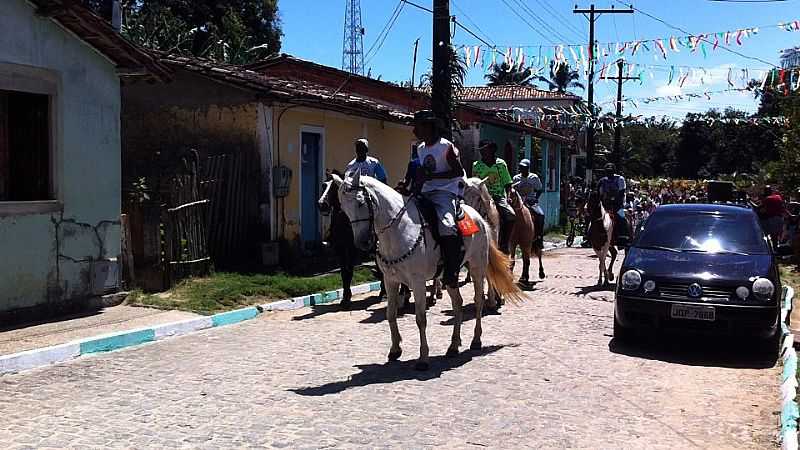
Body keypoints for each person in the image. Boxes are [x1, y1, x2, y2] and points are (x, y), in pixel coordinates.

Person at [413, 110, 467, 289]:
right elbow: (422, 174)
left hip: (445, 192)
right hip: (426, 192)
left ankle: (451, 270)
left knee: (447, 226)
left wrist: (431, 176)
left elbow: (458, 171)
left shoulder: (446, 147)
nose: (415, 131)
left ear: (429, 127)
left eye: (418, 126)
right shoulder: (420, 149)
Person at [472, 140, 516, 253]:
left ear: (492, 150)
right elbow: (474, 183)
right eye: (481, 150)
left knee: (510, 216)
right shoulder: (476, 165)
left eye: (485, 150)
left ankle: (504, 244)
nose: (482, 153)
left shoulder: (500, 164)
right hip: (481, 197)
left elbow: (508, 183)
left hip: (497, 196)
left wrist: (509, 196)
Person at [512, 159, 545, 248]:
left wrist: (535, 199)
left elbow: (539, 189)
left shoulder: (534, 177)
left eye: (524, 167)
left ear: (528, 168)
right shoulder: (516, 178)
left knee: (540, 215)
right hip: (519, 202)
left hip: (530, 201)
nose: (522, 169)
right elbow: (512, 191)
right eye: (521, 167)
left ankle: (539, 237)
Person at [597, 162, 630, 245]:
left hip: (618, 204)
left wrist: (614, 200)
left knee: (622, 218)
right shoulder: (602, 181)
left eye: (610, 171)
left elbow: (621, 192)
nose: (609, 173)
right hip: (606, 204)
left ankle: (624, 236)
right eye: (607, 171)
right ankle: (589, 235)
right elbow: (600, 193)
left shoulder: (620, 179)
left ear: (614, 171)